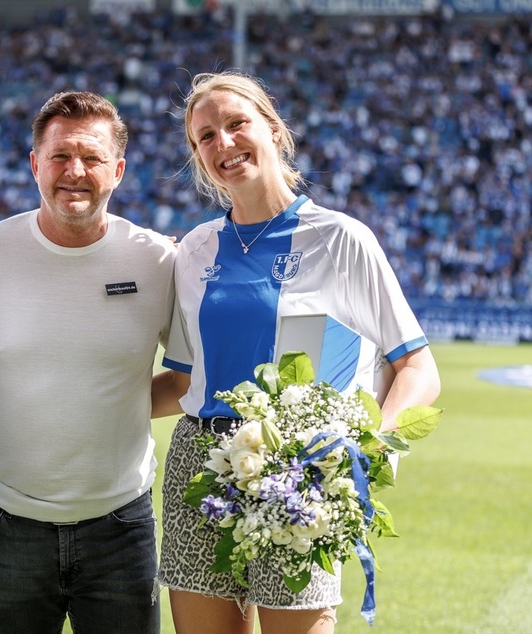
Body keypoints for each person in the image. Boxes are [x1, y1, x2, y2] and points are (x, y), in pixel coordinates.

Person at [150, 70, 442, 634]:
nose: (224, 143)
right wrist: (82, 401)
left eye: (237, 124)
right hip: (198, 468)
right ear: (196, 156)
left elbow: (416, 367)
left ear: (275, 129)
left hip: (296, 473)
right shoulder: (193, 250)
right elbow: (186, 384)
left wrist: (364, 453)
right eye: (205, 136)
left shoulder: (340, 239)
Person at [0, 91, 176, 633]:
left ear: (117, 171)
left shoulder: (158, 259)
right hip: (6, 526)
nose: (75, 171)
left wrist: (108, 405)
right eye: (60, 156)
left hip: (121, 524)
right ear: (34, 164)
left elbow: (191, 378)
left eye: (92, 159)